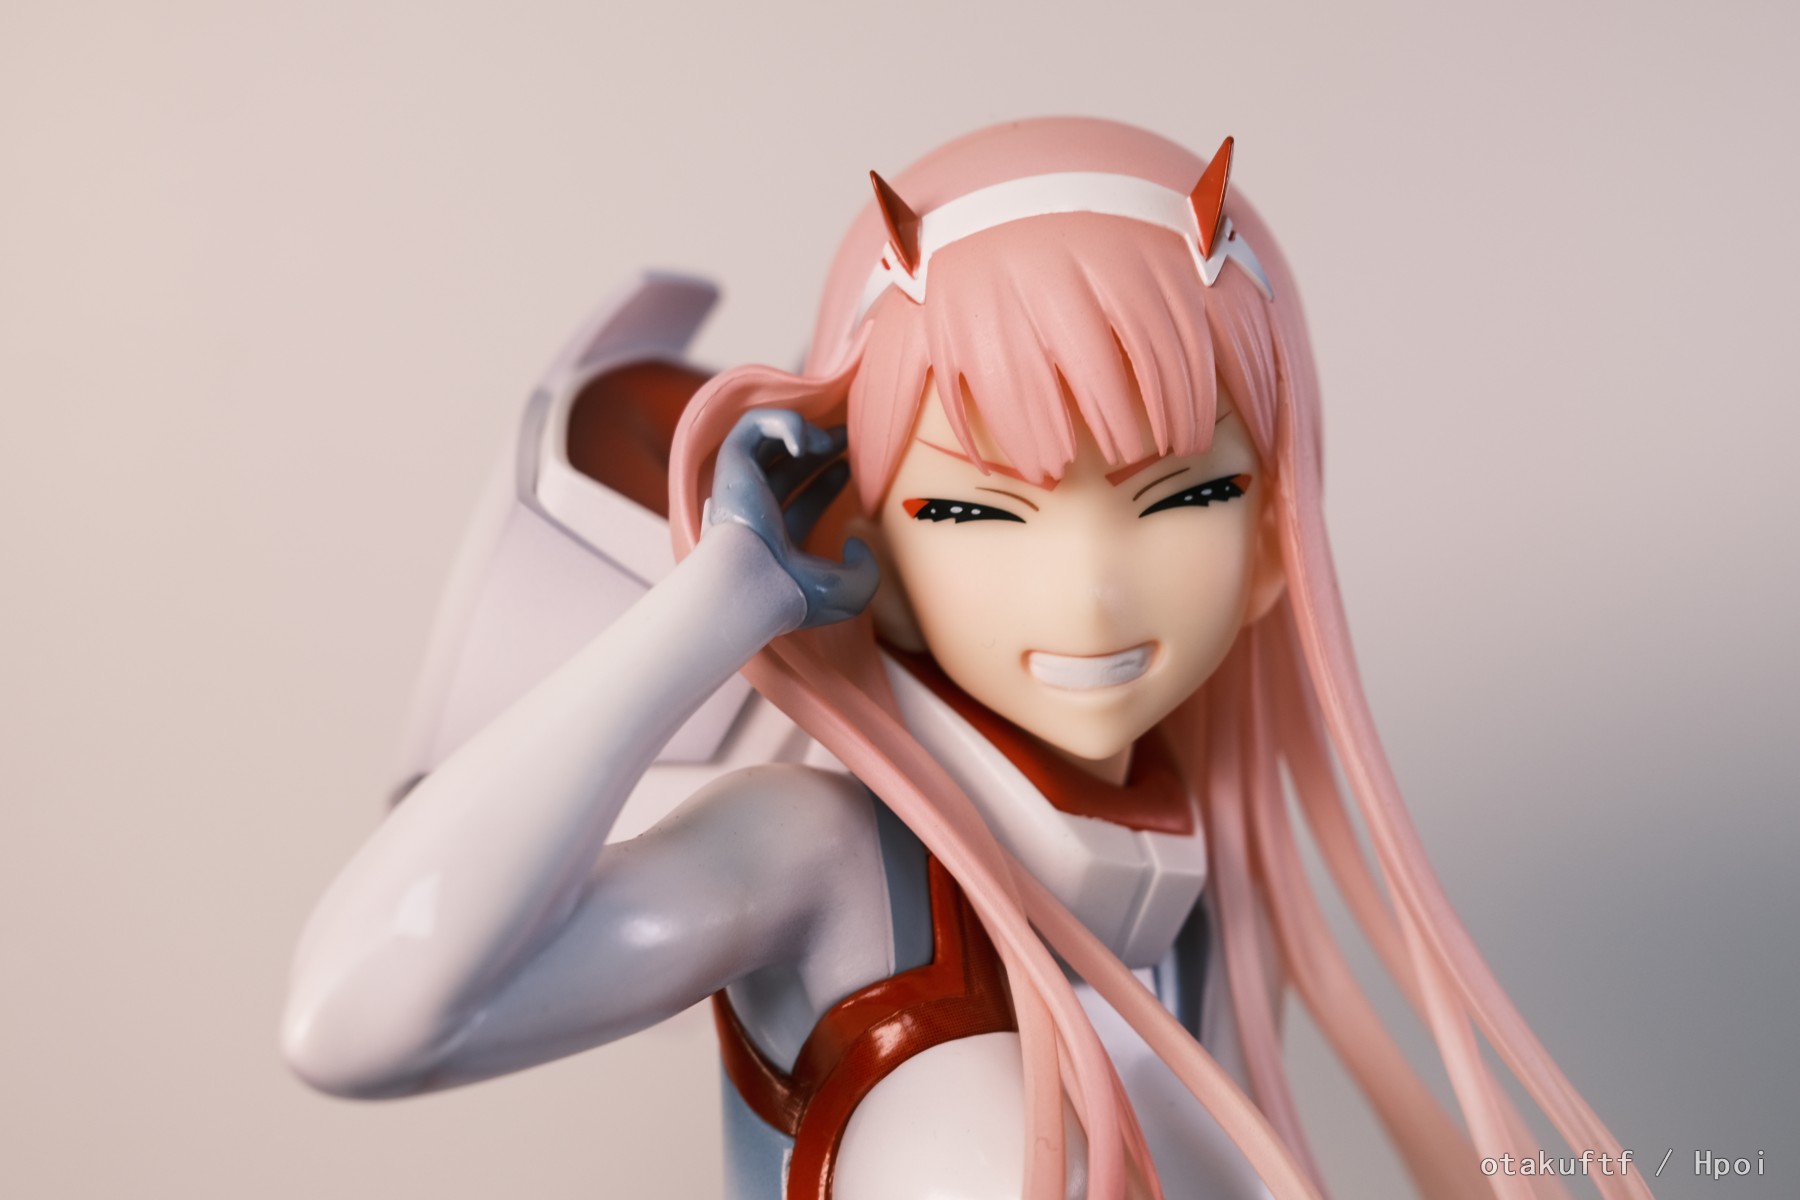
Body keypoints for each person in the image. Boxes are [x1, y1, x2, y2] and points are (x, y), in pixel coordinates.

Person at [284, 118, 1649, 1200]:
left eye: (1184, 496)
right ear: (864, 528)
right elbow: (360, 1022)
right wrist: (713, 610)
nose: (1089, 586)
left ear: (1274, 543)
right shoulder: (832, 868)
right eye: (974, 511)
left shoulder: (1199, 890)